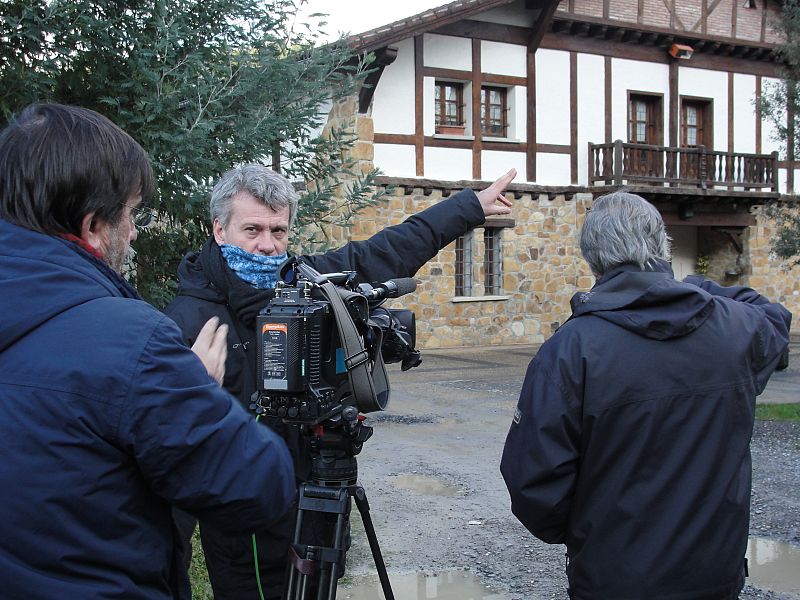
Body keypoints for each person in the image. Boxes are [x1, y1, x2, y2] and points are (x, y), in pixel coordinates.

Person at [165, 163, 517, 598]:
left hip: (315, 501)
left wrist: (469, 207)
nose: (266, 246)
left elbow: (386, 251)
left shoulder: (306, 284)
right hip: (245, 534)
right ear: (219, 230)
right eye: (252, 229)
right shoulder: (189, 320)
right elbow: (172, 455)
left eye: (278, 231)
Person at [0, 103, 296, 599]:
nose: (135, 231)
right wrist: (198, 392)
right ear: (94, 227)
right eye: (133, 213)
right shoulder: (136, 340)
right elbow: (257, 487)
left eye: (278, 231)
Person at [501, 191, 791, 600]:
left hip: (616, 575)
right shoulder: (736, 327)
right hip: (715, 573)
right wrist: (695, 287)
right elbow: (773, 315)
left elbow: (534, 482)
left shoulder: (571, 348)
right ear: (662, 245)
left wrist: (589, 532)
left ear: (593, 258)